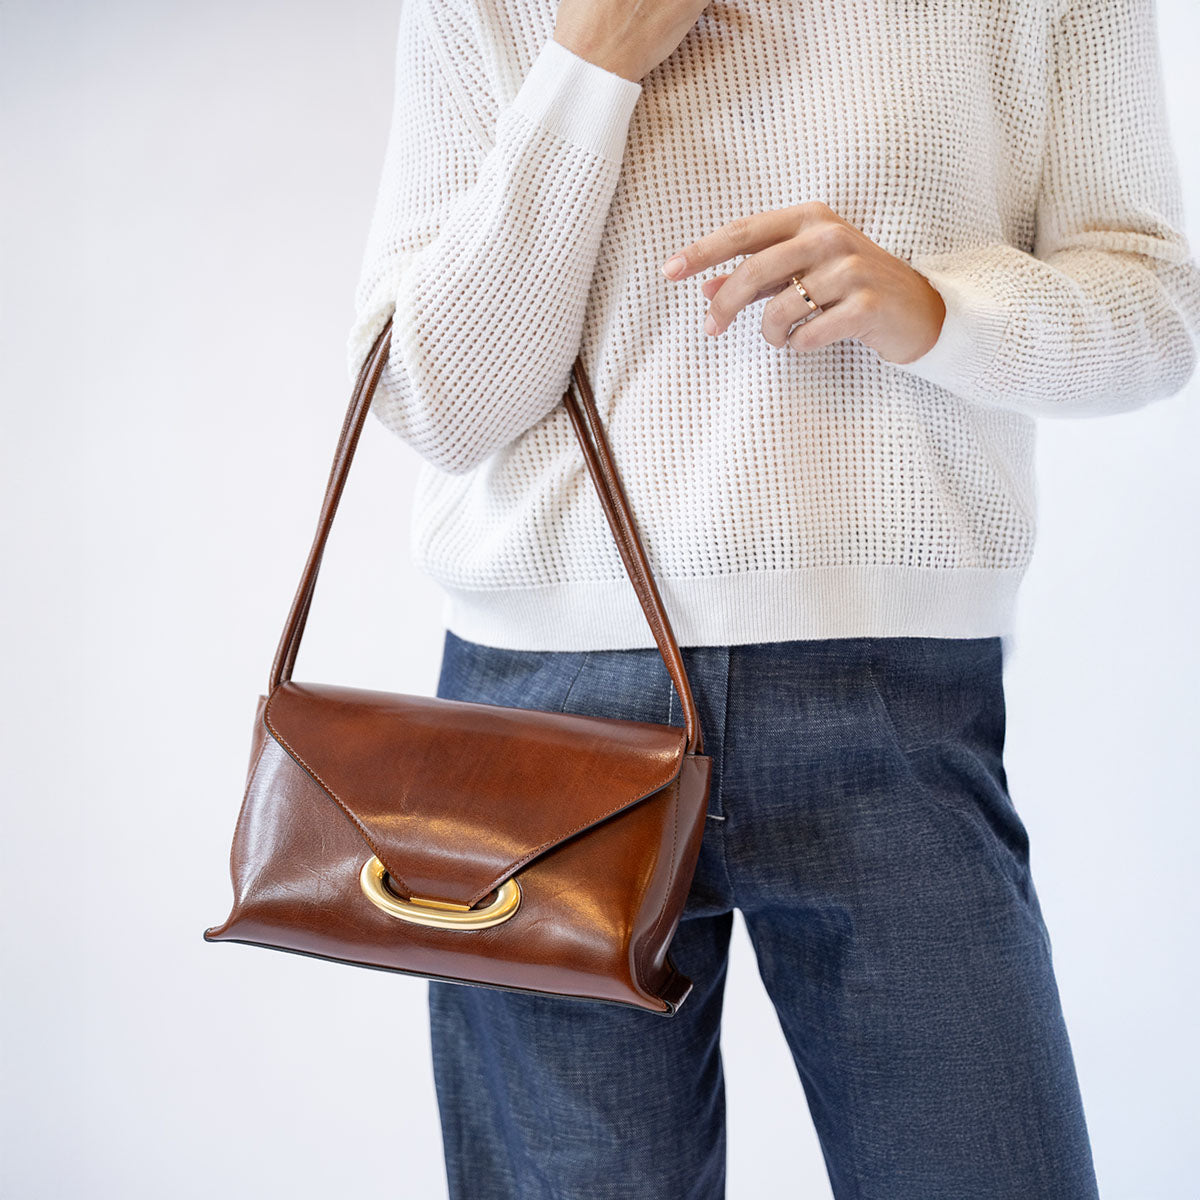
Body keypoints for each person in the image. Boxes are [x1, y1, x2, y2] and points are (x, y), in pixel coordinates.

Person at [345, 1, 1200, 1196]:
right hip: (545, 723)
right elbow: (438, 401)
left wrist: (938, 308)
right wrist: (591, 60)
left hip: (892, 700)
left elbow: (1157, 306)